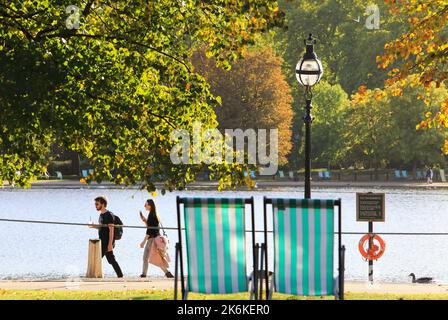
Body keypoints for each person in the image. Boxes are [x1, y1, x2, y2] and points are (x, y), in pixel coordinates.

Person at [89, 196, 123, 278]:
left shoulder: (109, 215)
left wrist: (110, 244)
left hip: (107, 242)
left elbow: (111, 230)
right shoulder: (101, 214)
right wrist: (94, 226)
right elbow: (102, 227)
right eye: (95, 204)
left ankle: (93, 276)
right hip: (102, 240)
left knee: (97, 258)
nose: (96, 206)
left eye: (97, 204)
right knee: (111, 260)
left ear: (103, 204)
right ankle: (120, 276)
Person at [139, 199, 173, 278]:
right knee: (156, 257)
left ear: (150, 205)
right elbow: (151, 226)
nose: (144, 206)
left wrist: (143, 242)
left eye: (146, 204)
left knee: (145, 257)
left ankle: (144, 274)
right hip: (155, 238)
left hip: (152, 239)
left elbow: (149, 230)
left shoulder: (151, 215)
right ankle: (167, 273)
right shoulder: (154, 214)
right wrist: (144, 220)